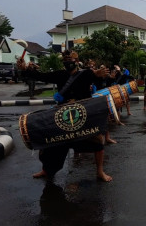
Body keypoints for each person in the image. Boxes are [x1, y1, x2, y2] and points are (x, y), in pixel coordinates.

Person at [17, 50, 113, 182]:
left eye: (71, 60)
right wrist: (25, 69)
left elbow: (97, 75)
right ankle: (46, 170)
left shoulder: (86, 73)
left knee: (97, 141)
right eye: (65, 60)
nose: (68, 62)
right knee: (51, 144)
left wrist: (101, 75)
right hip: (63, 117)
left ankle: (100, 171)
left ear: (77, 60)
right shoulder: (59, 75)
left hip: (84, 116)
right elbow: (41, 76)